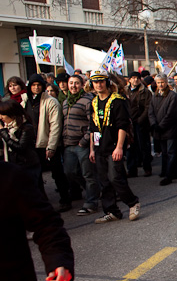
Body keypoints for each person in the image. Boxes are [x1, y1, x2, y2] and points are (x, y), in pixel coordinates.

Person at [88, 72, 141, 223]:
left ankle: (133, 203)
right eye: (95, 82)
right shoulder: (94, 102)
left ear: (107, 83)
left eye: (101, 82)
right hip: (99, 148)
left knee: (115, 177)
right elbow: (92, 128)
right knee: (103, 181)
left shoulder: (118, 100)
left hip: (113, 146)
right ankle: (112, 211)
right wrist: (92, 149)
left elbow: (122, 125)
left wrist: (119, 147)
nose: (99, 85)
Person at [24, 74, 72, 212]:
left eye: (38, 85)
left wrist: (51, 146)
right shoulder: (26, 101)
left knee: (57, 173)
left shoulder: (51, 102)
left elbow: (55, 125)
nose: (36, 87)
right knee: (36, 175)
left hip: (48, 143)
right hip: (32, 144)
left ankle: (65, 199)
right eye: (33, 85)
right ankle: (42, 202)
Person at [62, 74, 100, 216]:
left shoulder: (88, 101)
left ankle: (91, 202)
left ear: (82, 84)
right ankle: (95, 190)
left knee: (88, 174)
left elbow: (94, 124)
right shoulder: (66, 102)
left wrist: (85, 140)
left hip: (82, 144)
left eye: (76, 83)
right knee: (70, 172)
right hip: (68, 144)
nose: (73, 86)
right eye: (71, 83)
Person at [148, 74, 177, 186]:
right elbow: (151, 112)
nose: (160, 85)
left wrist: (161, 125)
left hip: (170, 129)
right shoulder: (155, 95)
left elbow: (171, 114)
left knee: (171, 152)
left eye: (162, 82)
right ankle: (166, 171)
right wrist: (154, 124)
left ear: (166, 82)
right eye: (158, 83)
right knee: (164, 152)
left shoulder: (173, 96)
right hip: (160, 130)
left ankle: (169, 174)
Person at [0, 100, 42, 189]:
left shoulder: (26, 127)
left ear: (12, 114)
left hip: (27, 165)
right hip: (14, 165)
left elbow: (20, 147)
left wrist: (4, 134)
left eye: (3, 114)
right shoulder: (7, 127)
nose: (1, 117)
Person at [125, 72, 153, 177]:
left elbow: (148, 107)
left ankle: (147, 168)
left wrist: (141, 119)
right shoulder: (125, 90)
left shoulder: (145, 92)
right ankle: (131, 169)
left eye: (137, 78)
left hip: (141, 123)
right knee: (130, 147)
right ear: (129, 80)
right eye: (133, 78)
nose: (135, 80)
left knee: (144, 146)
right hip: (128, 123)